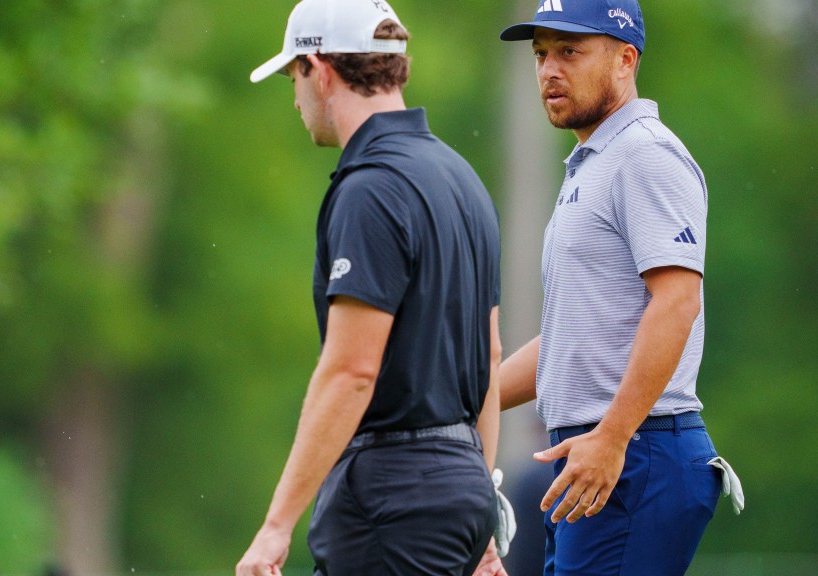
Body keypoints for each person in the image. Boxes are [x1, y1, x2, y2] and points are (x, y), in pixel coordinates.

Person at [237, 0, 504, 574]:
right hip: (461, 487)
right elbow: (489, 355)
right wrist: (477, 506)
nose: (294, 97)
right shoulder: (461, 178)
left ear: (321, 68)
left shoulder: (370, 188)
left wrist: (277, 525)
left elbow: (352, 371)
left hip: (392, 499)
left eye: (293, 76)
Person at [485, 0, 744, 575]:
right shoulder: (593, 162)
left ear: (625, 59)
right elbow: (567, 341)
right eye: (541, 54)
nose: (550, 69)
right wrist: (460, 396)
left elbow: (677, 301)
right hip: (603, 453)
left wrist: (612, 436)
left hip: (634, 452)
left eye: (570, 51)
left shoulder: (644, 155)